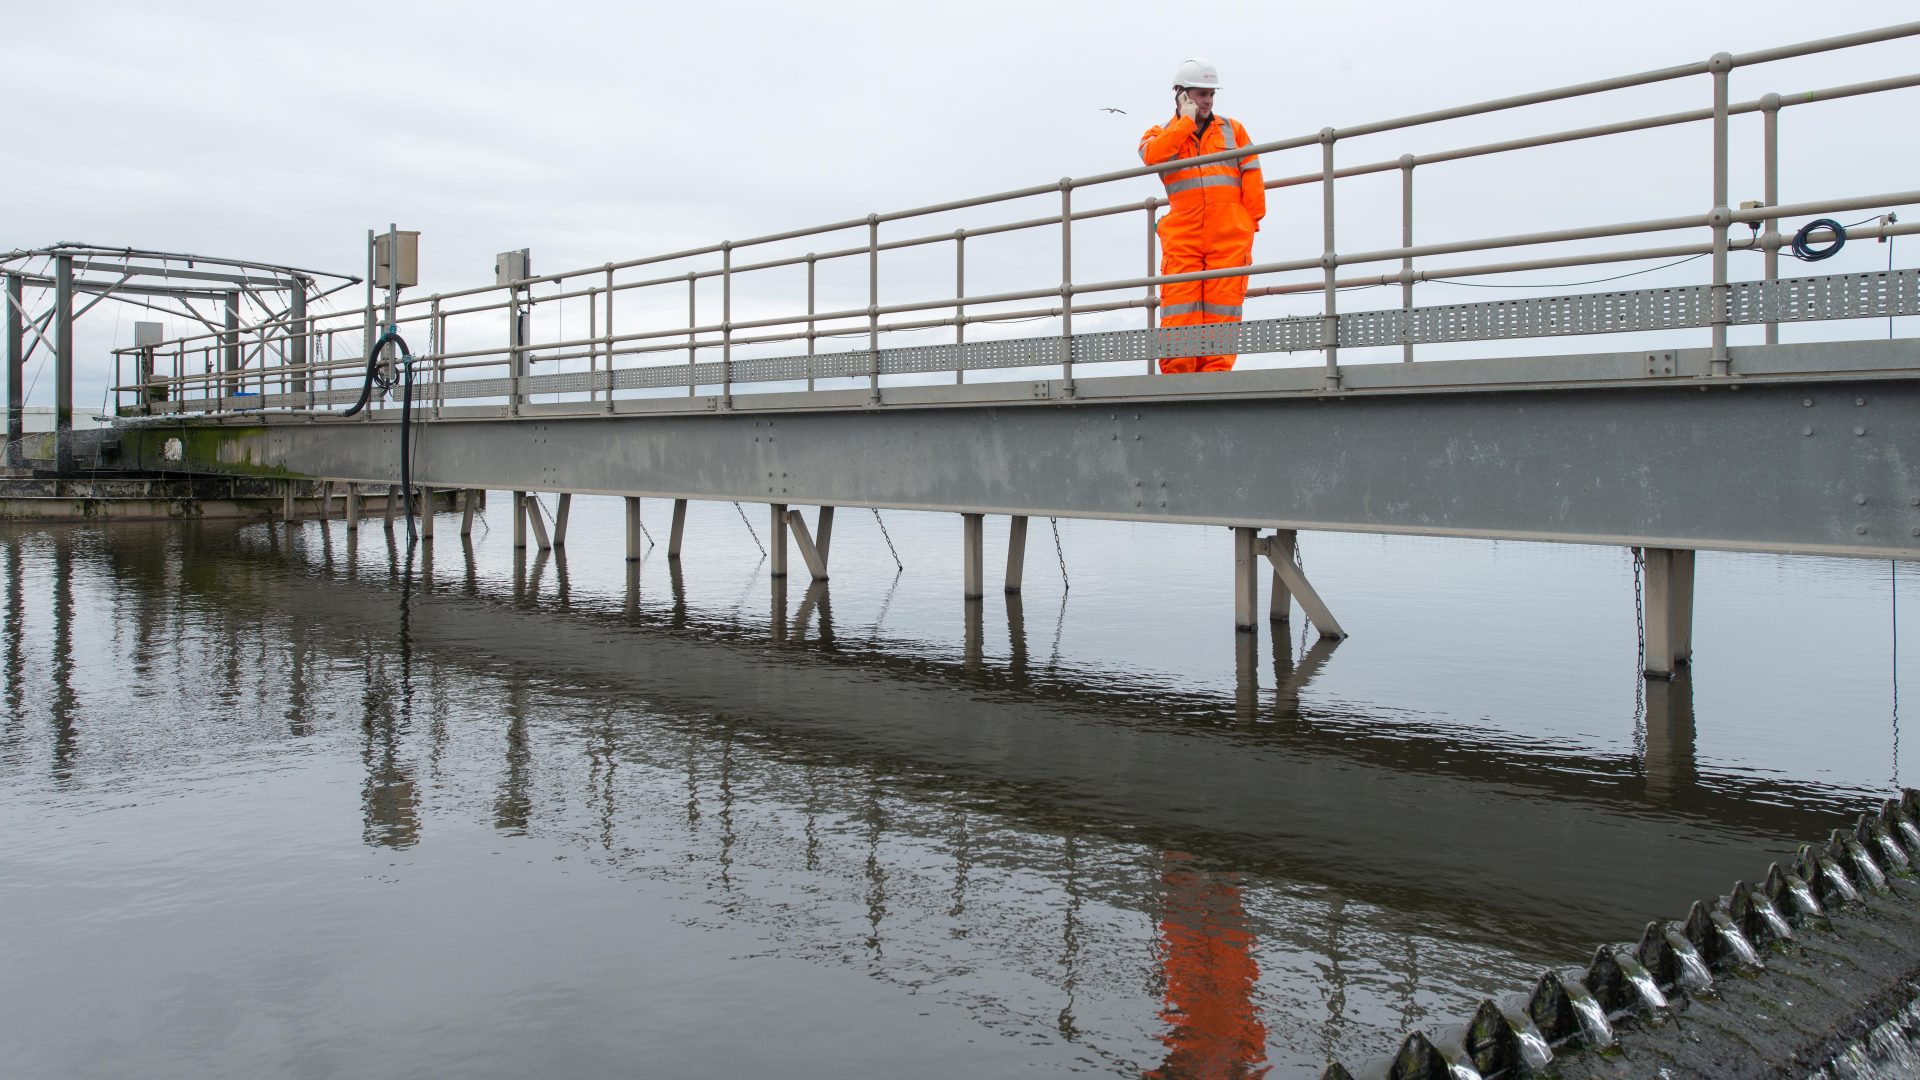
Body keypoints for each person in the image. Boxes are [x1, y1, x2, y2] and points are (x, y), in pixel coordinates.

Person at [1137, 59, 1265, 373]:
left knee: (1223, 311)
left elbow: (1252, 175)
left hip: (1229, 236)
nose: (1207, 100)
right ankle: (1179, 384)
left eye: (1211, 94)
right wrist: (1185, 123)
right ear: (1181, 95)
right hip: (1183, 237)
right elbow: (1151, 157)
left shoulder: (1233, 130)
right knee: (1180, 311)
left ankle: (1216, 379)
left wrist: (1249, 222)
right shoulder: (1161, 133)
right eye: (1200, 94)